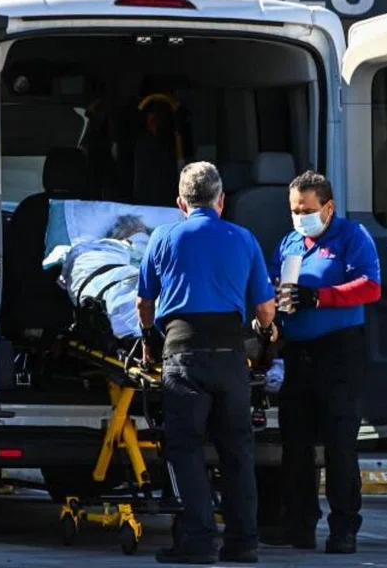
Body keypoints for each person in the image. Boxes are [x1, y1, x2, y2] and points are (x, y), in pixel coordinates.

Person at [136, 161, 278, 565]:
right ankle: (243, 542)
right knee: (237, 451)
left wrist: (149, 340)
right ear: (221, 200)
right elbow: (265, 309)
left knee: (185, 449)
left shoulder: (163, 237)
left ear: (181, 203)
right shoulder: (243, 238)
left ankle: (198, 541)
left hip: (183, 354)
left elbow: (144, 302)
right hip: (231, 356)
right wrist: (265, 334)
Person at [270, 170, 381, 555]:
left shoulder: (352, 236)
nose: (300, 217)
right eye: (294, 210)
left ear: (328, 207)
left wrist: (320, 297)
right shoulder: (289, 242)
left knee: (339, 444)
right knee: (295, 444)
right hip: (298, 353)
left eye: (307, 210)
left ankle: (344, 527)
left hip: (339, 354)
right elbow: (275, 284)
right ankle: (299, 525)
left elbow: (370, 286)